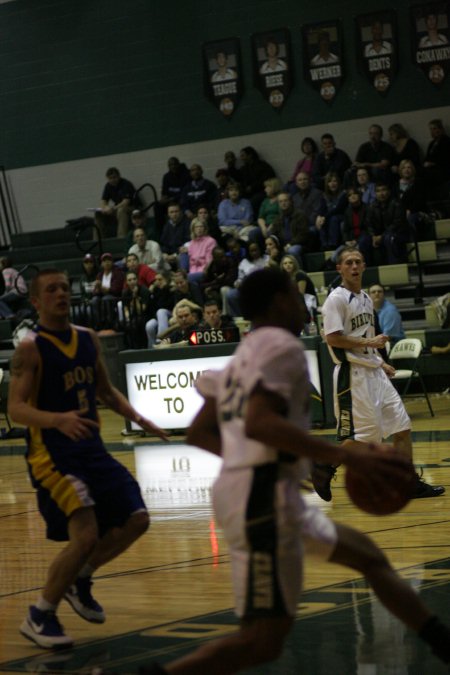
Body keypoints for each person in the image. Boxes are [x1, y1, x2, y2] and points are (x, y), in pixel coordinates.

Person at [140, 266, 450, 675]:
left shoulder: (247, 352)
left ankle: (441, 643)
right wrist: (347, 456)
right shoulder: (282, 349)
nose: (303, 302)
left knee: (368, 561)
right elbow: (259, 424)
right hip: (258, 503)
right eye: (293, 292)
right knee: (261, 639)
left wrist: (275, 462)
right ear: (277, 303)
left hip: (264, 492)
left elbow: (200, 433)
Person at [8, 269, 166, 649]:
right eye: (51, 289)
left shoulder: (87, 338)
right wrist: (56, 419)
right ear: (36, 301)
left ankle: (81, 578)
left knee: (138, 518)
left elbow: (107, 392)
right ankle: (40, 615)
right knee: (86, 534)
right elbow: (14, 409)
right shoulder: (30, 348)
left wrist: (141, 419)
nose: (61, 294)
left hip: (92, 449)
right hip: (53, 456)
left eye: (64, 287)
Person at [317, 246, 445, 502]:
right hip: (353, 376)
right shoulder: (336, 299)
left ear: (364, 266)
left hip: (374, 372)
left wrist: (379, 362)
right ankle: (324, 466)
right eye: (349, 262)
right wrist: (369, 346)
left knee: (402, 426)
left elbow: (366, 337)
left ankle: (408, 484)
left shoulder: (365, 298)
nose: (354, 267)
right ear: (339, 268)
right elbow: (332, 338)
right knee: (364, 438)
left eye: (358, 262)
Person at [366, 182, 411, 265]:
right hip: (380, 235)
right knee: (364, 241)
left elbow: (397, 224)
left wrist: (381, 236)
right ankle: (368, 269)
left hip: (398, 233)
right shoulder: (372, 206)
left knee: (389, 239)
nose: (381, 193)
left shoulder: (397, 203)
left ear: (389, 191)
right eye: (378, 191)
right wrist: (373, 236)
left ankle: (394, 266)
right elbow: (369, 224)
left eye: (383, 190)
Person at [95, 167, 138, 238]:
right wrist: (105, 208)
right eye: (110, 178)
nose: (112, 180)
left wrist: (113, 208)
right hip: (117, 209)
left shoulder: (126, 184)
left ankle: (121, 238)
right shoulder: (108, 186)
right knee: (99, 213)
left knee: (121, 210)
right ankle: (98, 240)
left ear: (119, 176)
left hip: (132, 208)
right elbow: (103, 200)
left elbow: (126, 202)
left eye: (114, 177)